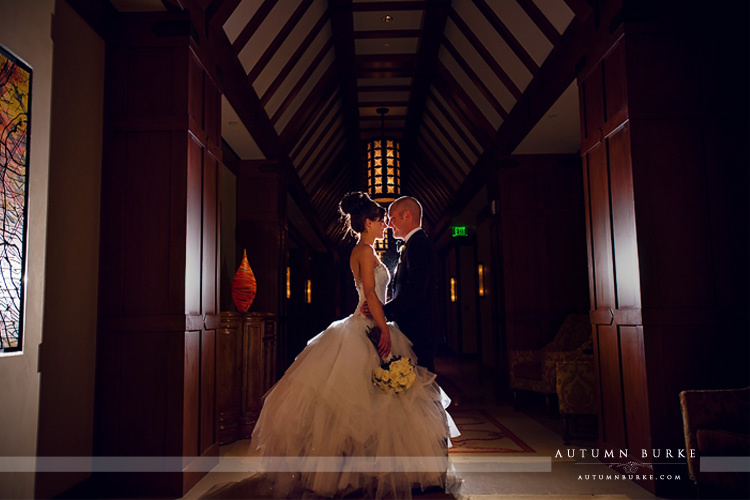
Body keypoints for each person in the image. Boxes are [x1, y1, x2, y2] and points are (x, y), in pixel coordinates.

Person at [244, 192, 459, 500]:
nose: (388, 224)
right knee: (368, 403)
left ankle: (407, 469)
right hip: (372, 327)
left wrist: (386, 319)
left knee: (384, 401)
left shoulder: (375, 249)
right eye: (383, 219)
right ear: (368, 222)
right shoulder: (364, 251)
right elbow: (371, 294)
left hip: (385, 325)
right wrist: (384, 326)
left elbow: (395, 293)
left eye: (392, 218)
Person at [364, 196, 439, 373]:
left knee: (421, 389)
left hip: (419, 333)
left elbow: (416, 290)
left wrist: (383, 311)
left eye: (393, 218)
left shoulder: (419, 245)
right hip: (413, 330)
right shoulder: (413, 244)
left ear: (408, 215)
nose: (389, 224)